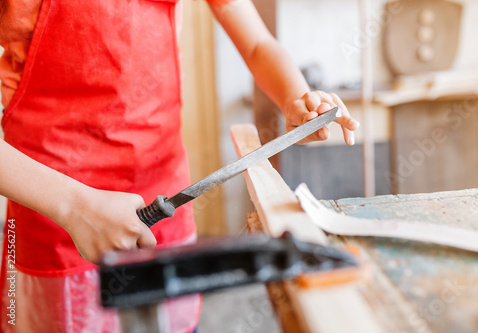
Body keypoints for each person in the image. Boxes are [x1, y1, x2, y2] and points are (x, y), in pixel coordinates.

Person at [0, 0, 359, 332]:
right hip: (53, 218)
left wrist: (296, 97)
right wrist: (74, 207)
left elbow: (256, 44)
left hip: (164, 209)